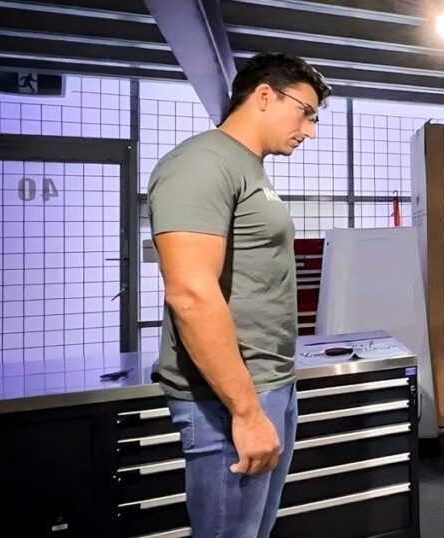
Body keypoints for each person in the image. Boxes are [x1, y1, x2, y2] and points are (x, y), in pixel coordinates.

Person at [147, 52, 330, 538]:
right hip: (229, 398)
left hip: (269, 383)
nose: (310, 130)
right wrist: (246, 411)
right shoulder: (202, 163)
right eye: (306, 113)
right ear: (265, 95)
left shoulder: (249, 169)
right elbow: (189, 293)